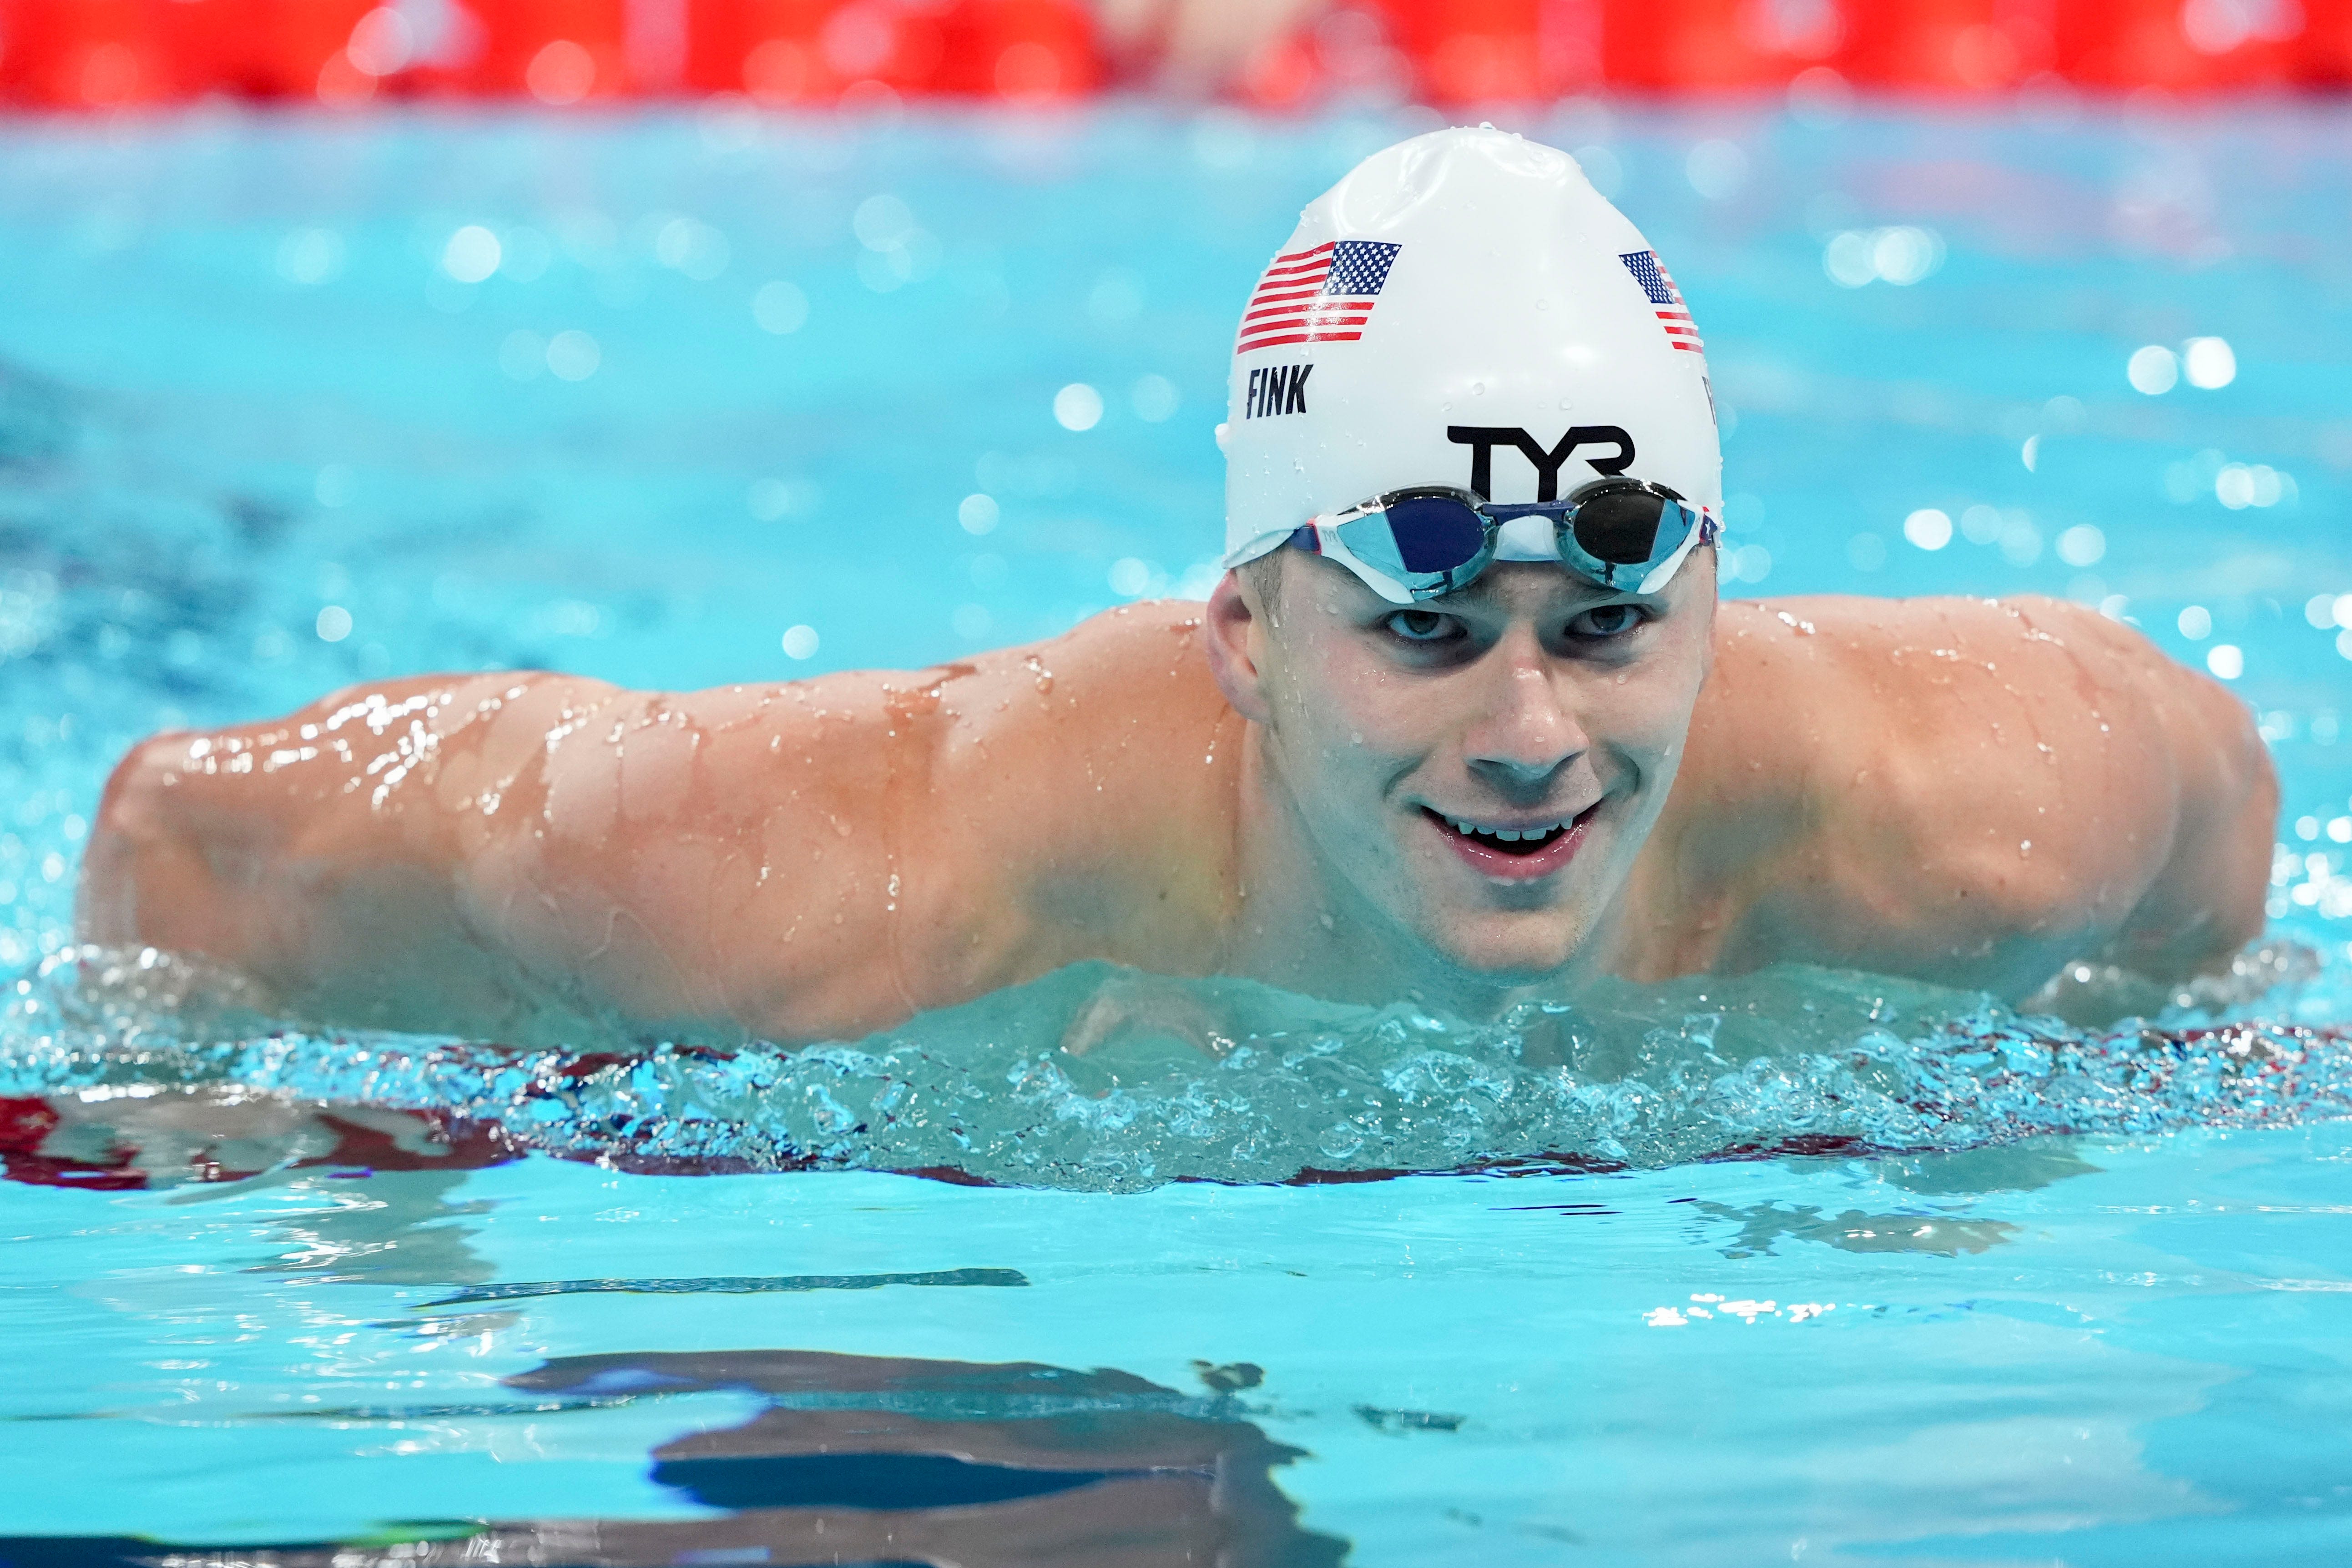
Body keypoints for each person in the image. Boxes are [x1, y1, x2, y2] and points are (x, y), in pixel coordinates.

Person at [76, 128, 2276, 1050]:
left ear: (1712, 587)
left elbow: (2211, 840)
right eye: (1424, 623)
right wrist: (272, 1128)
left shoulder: (1987, 810)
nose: (1529, 730)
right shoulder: (856, 874)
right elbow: (181, 829)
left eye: (1606, 621)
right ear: (1245, 627)